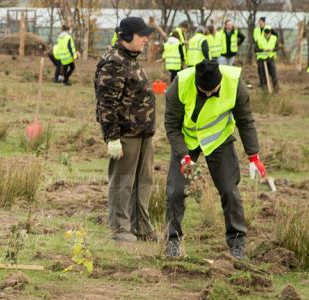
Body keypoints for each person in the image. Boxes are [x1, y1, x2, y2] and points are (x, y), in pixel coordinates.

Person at [164, 60, 266, 259]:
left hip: (219, 140)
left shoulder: (235, 84)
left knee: (230, 190)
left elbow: (245, 121)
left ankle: (237, 244)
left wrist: (254, 155)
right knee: (176, 190)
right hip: (187, 141)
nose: (209, 94)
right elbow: (171, 126)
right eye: (204, 91)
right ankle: (172, 241)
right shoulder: (179, 85)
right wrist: (184, 156)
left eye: (213, 91)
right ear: (196, 84)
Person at [95, 17, 156, 242]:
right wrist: (112, 137)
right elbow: (106, 103)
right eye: (142, 36)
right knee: (123, 182)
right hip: (126, 135)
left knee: (143, 182)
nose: (146, 40)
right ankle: (120, 228)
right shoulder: (114, 62)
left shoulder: (130, 59)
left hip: (143, 134)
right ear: (128, 36)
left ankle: (141, 226)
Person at [256, 26, 278, 90]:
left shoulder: (274, 38)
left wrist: (272, 49)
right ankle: (264, 88)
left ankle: (276, 88)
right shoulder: (259, 39)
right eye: (265, 32)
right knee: (262, 74)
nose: (267, 34)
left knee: (273, 73)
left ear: (270, 32)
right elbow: (255, 49)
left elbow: (277, 48)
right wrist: (262, 50)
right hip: (261, 58)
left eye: (268, 32)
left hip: (270, 58)